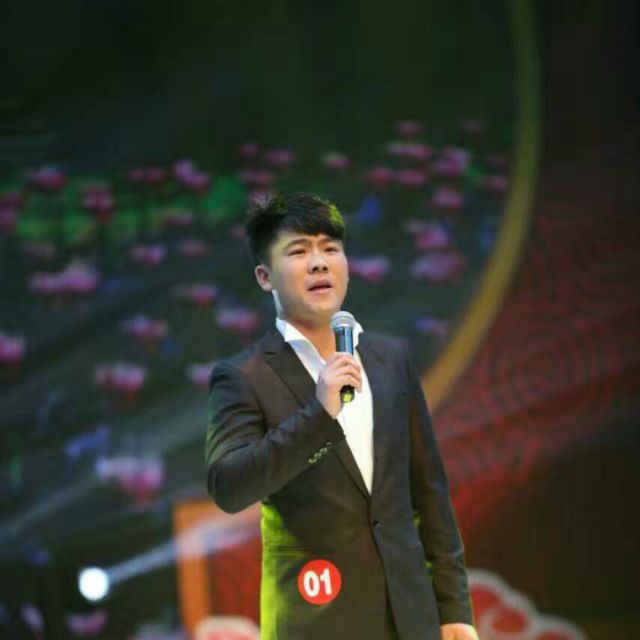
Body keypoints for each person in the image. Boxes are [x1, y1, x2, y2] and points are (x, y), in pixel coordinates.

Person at [205, 192, 479, 640]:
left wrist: (454, 608)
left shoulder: (390, 359)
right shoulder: (243, 376)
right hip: (317, 617)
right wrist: (319, 413)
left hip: (410, 616)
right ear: (265, 276)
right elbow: (229, 487)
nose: (319, 263)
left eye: (330, 248)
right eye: (298, 251)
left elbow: (429, 490)